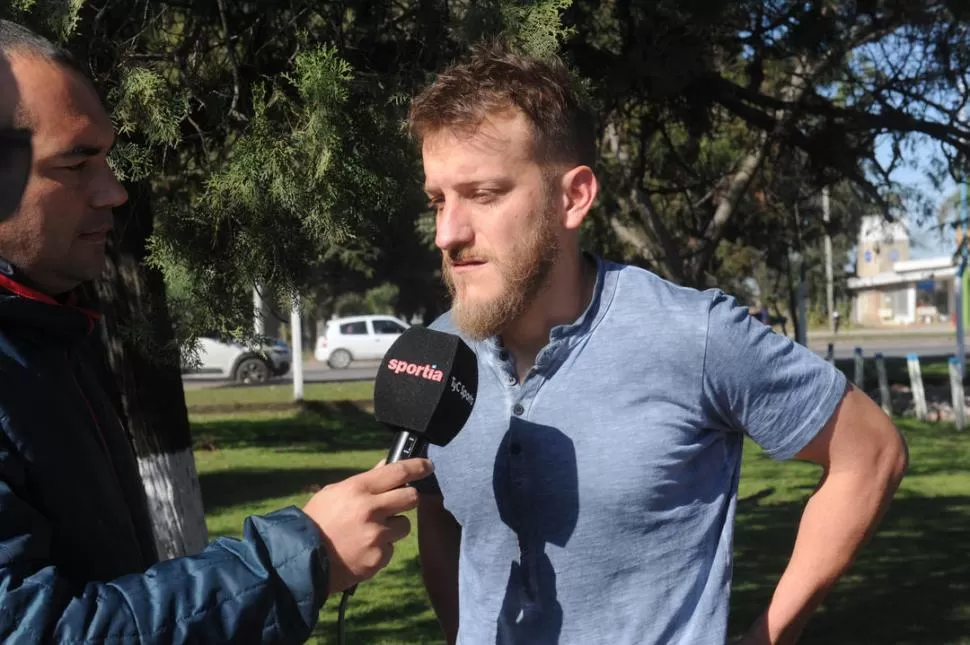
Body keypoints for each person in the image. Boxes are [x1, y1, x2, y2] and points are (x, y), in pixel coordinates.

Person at [411, 43, 908, 645]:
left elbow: (872, 454)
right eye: (439, 199)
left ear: (574, 197)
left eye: (483, 194)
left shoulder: (695, 336)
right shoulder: (436, 354)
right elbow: (434, 504)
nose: (448, 233)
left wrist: (770, 635)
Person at [0, 20, 431, 644]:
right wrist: (297, 558)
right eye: (76, 161)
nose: (114, 191)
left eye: (108, 157)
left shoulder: (48, 333)